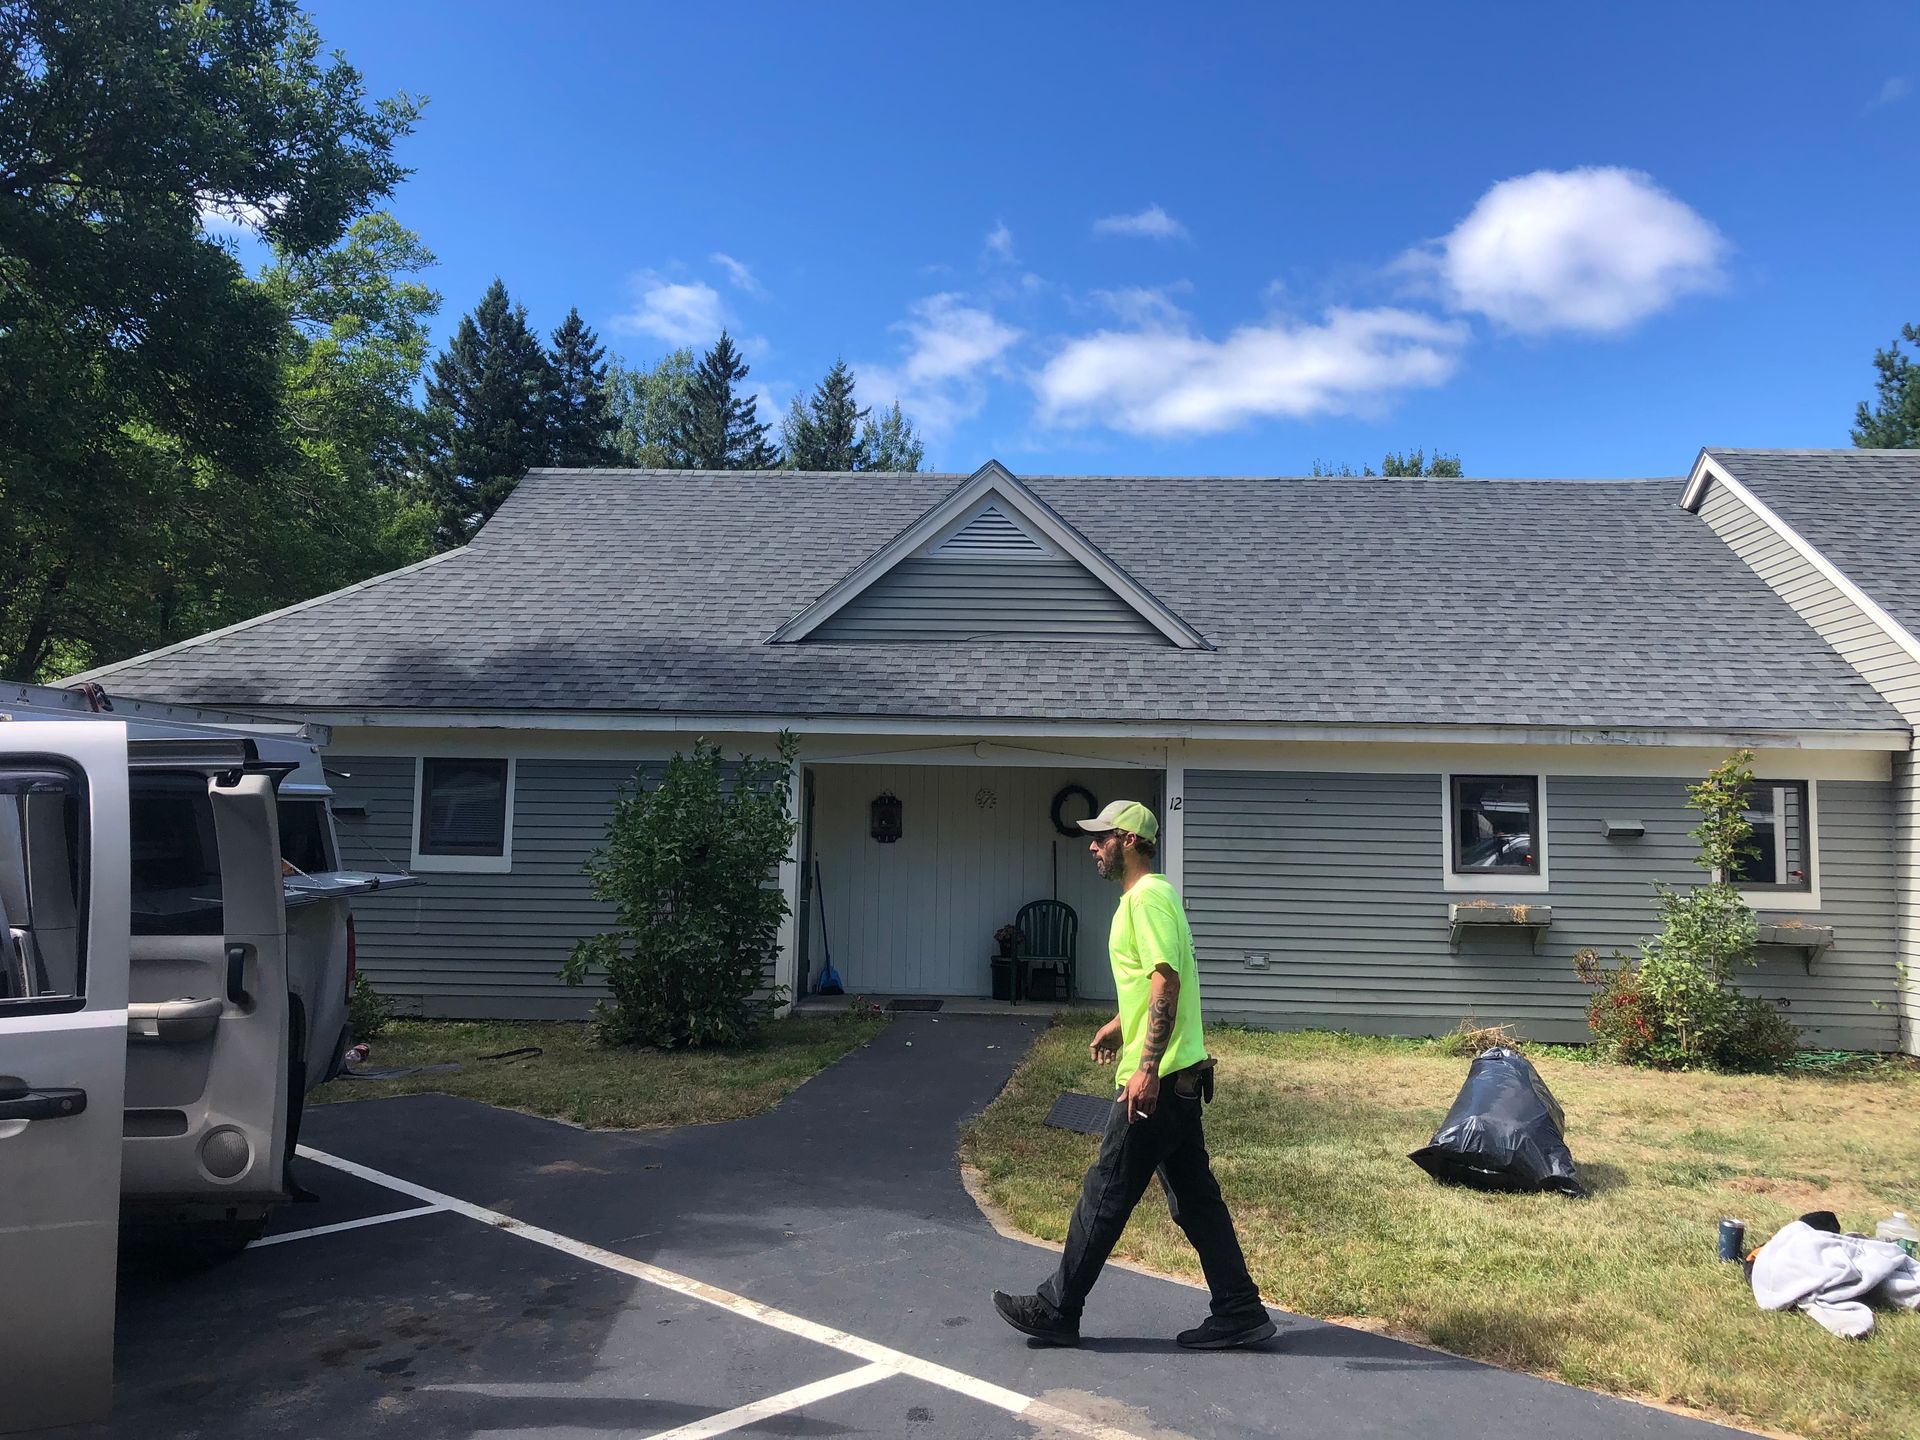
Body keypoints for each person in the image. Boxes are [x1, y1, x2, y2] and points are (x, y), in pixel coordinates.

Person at [993, 800, 1275, 1350]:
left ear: (1126, 839)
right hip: (1183, 1076)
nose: (1092, 847)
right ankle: (1239, 1308)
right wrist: (1121, 1024)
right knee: (1195, 1199)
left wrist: (1145, 1067)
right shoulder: (1157, 897)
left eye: (1099, 838)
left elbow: (1166, 983)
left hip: (1160, 1082)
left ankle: (1057, 1309)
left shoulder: (1145, 899)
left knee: (1106, 1192)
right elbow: (1153, 983)